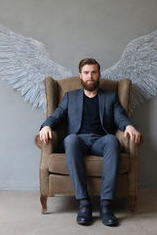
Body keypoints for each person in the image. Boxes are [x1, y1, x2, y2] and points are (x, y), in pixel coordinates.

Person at [39, 58, 141, 226]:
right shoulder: (70, 97)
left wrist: (129, 126)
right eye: (86, 73)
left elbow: (120, 117)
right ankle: (84, 203)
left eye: (94, 72)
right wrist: (46, 126)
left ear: (99, 74)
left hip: (100, 140)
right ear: (80, 75)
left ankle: (106, 205)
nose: (90, 76)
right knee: (70, 139)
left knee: (112, 140)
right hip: (78, 141)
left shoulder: (110, 97)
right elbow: (56, 115)